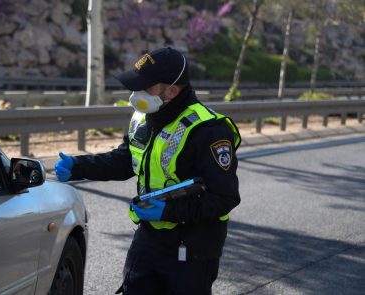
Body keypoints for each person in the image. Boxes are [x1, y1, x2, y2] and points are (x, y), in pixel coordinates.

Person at [55, 47, 241, 295]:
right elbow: (125, 160)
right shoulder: (144, 116)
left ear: (172, 91)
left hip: (193, 247)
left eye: (146, 87)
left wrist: (169, 211)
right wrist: (79, 166)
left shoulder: (208, 130)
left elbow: (224, 197)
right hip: (150, 237)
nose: (136, 94)